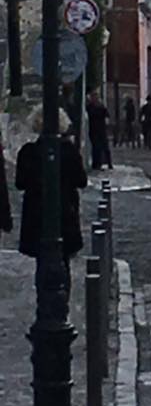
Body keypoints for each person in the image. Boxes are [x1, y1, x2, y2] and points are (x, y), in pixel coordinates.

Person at [16, 107, 87, 287]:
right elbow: (81, 181)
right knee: (64, 261)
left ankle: (43, 296)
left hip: (36, 215)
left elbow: (20, 183)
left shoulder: (28, 152)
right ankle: (63, 297)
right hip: (65, 213)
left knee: (42, 262)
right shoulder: (69, 151)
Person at [86, 91, 112, 170]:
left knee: (102, 147)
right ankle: (97, 164)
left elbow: (107, 115)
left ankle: (106, 163)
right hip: (95, 129)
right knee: (97, 147)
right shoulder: (90, 106)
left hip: (99, 129)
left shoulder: (99, 106)